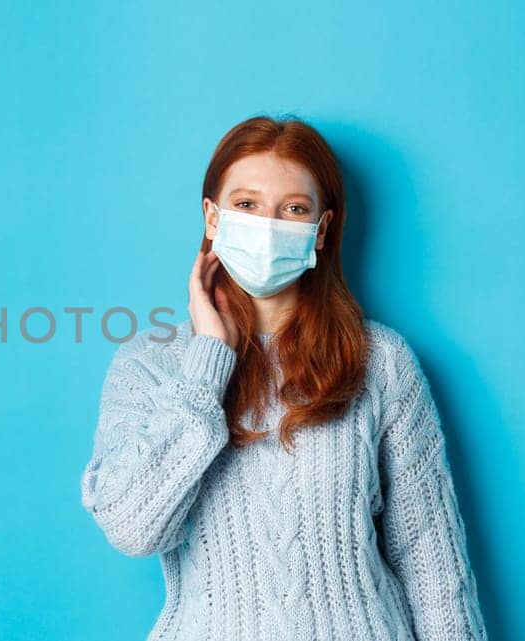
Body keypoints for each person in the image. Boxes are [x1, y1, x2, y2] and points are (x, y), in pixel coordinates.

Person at [79, 115, 487, 641]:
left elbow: (431, 559)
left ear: (320, 229)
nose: (267, 226)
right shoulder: (150, 364)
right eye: (246, 205)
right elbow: (132, 526)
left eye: (292, 209)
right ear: (212, 217)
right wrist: (209, 360)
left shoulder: (380, 361)